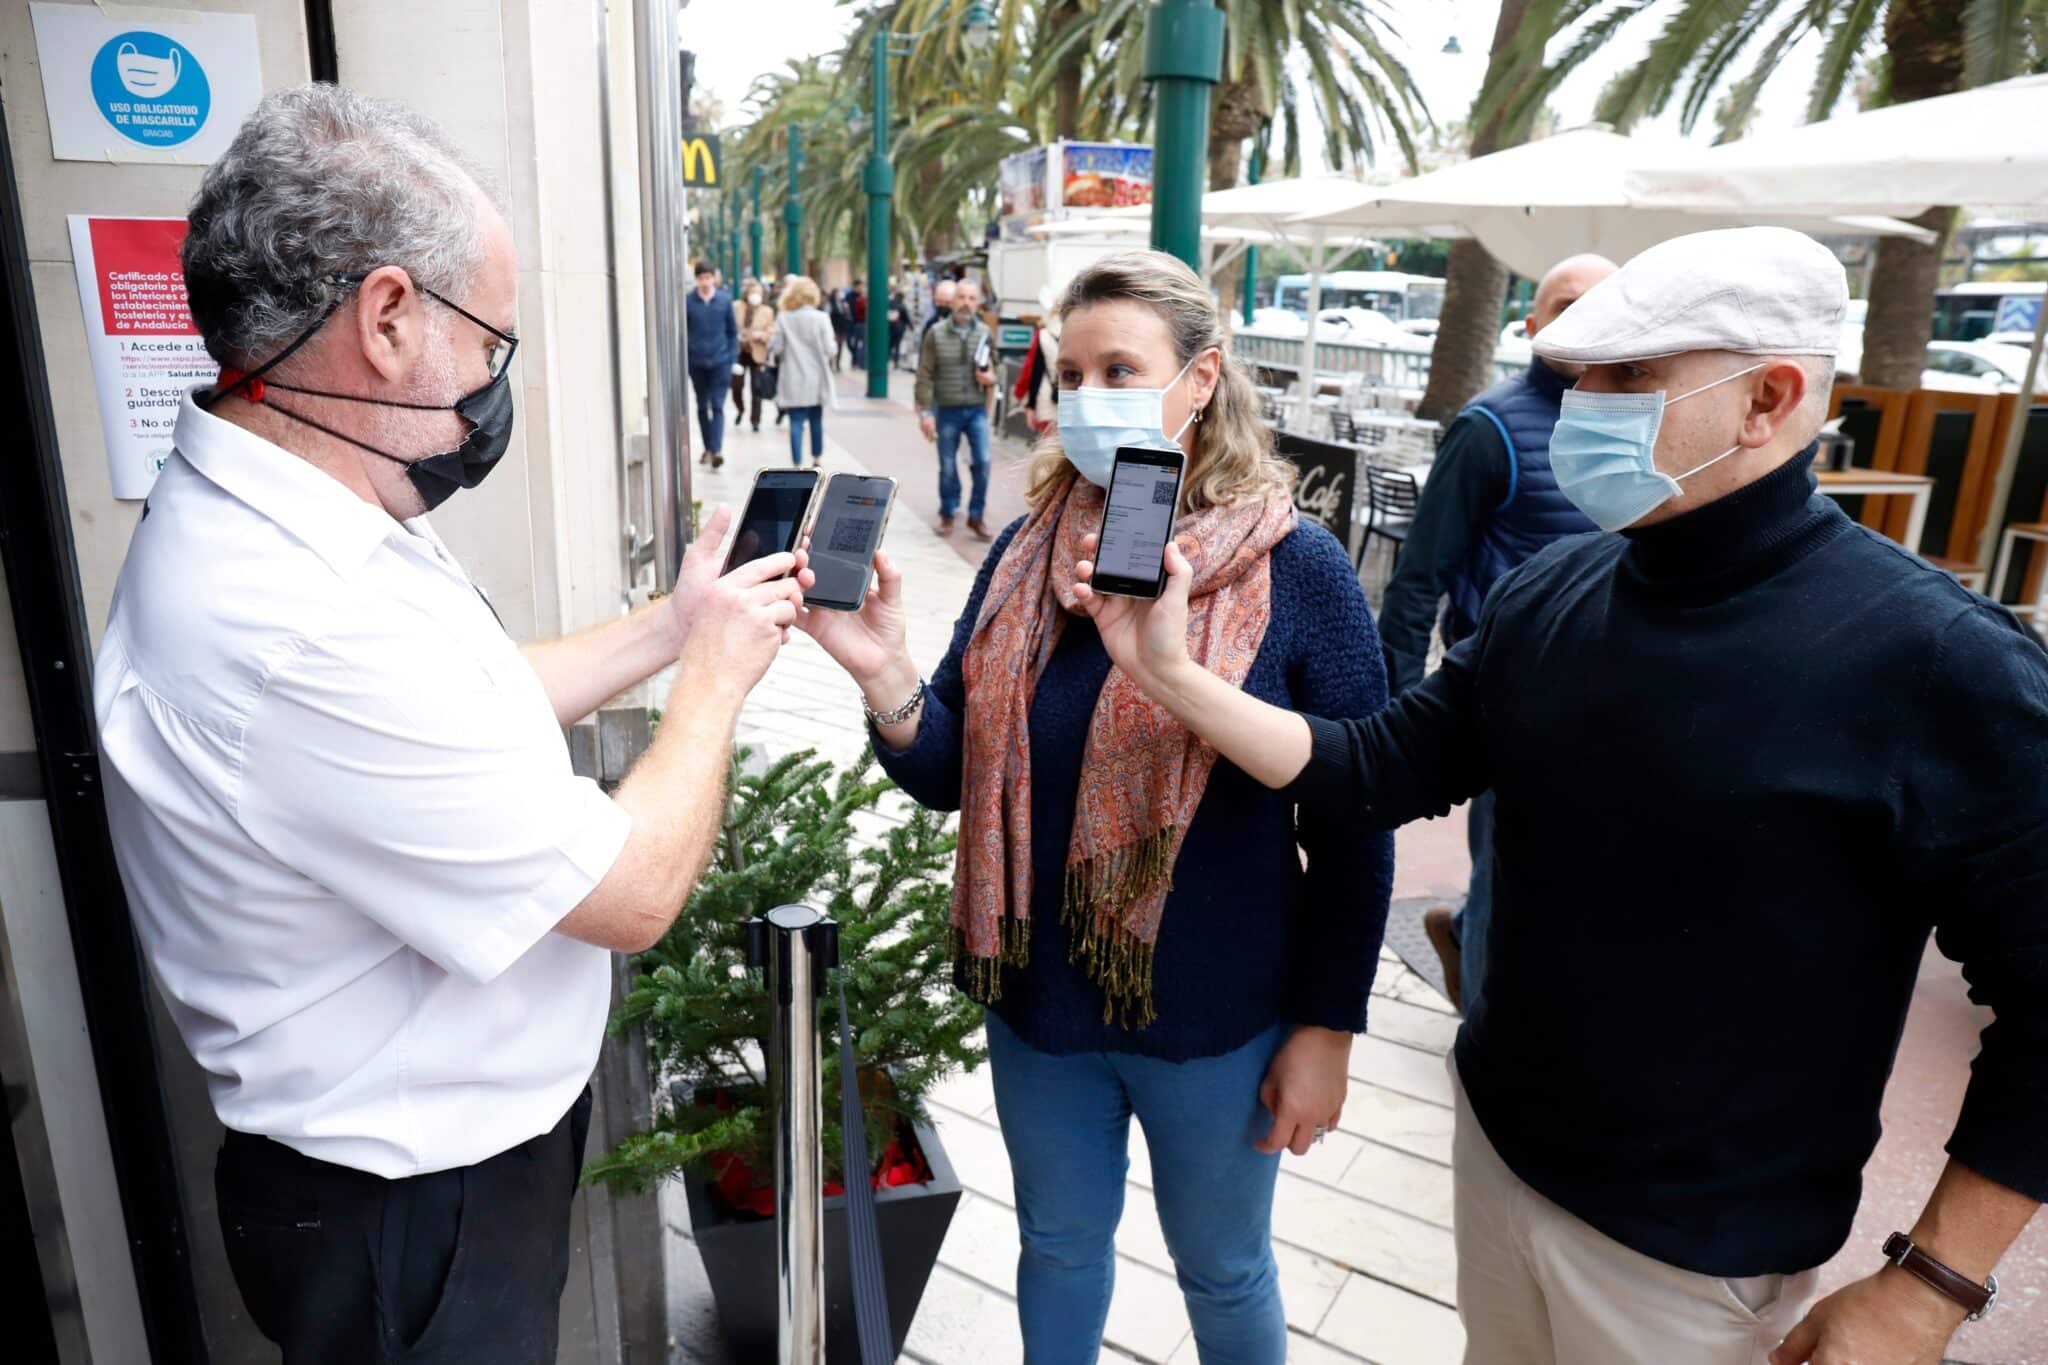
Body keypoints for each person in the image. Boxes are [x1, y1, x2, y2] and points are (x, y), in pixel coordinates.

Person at [1067, 227, 2048, 1365]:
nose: (1584, 409)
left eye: (1629, 380)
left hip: (1691, 1258)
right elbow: (1377, 769)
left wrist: (1927, 1286)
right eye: (1577, 378)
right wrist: (1172, 675)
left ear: (1766, 400)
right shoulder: (1557, 584)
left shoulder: (1939, 662)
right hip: (1494, 1157)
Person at [93, 84, 806, 1365]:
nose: (491, 384)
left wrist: (665, 624)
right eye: (490, 343)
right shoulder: (295, 621)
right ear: (385, 317)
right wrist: (711, 678)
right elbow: (633, 890)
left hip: (423, 1185)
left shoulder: (302, 514)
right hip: (407, 1224)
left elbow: (457, 720)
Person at [801, 249, 1394, 1364]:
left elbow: (1354, 826)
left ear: (1201, 378)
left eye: (1117, 367)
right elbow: (945, 773)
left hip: (1219, 1024)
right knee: (1058, 1246)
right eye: (1066, 374)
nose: (1082, 398)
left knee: (1223, 1272)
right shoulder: (1029, 557)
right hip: (1043, 1011)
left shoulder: (1297, 572)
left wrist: (1326, 1029)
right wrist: (881, 674)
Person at [1376, 253, 1615, 1012]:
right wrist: (1398, 722)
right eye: (1568, 302)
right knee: (1510, 862)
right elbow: (1419, 578)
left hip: (1617, 692)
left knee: (1574, 868)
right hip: (1511, 697)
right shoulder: (1489, 428)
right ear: (1531, 323)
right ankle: (1482, 1035)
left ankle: (1474, 938)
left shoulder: (1647, 423)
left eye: (1605, 303)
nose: (1586, 317)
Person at [916, 277, 999, 539]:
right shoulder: (936, 333)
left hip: (975, 410)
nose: (966, 303)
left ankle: (976, 515)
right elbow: (925, 374)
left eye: (972, 298)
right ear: (952, 302)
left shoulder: (984, 332)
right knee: (948, 465)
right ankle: (948, 512)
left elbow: (993, 368)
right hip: (947, 409)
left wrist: (991, 379)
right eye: (962, 297)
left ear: (978, 303)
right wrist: (926, 414)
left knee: (983, 462)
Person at [769, 274, 837, 469]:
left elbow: (778, 348)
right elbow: (830, 349)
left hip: (792, 375)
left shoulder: (784, 318)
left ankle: (797, 462)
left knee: (796, 420)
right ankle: (816, 459)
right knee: (816, 418)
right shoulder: (821, 318)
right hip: (816, 376)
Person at [686, 259, 738, 467]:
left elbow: (732, 332)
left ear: (714, 278)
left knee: (717, 405)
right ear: (696, 279)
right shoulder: (688, 302)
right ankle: (707, 447)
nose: (705, 282)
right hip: (697, 362)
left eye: (708, 278)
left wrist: (731, 358)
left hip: (720, 362)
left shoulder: (724, 301)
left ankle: (715, 450)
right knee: (701, 406)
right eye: (701, 278)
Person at [733, 278, 775, 433]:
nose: (756, 295)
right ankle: (740, 409)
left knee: (757, 387)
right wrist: (739, 335)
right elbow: (731, 325)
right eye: (753, 292)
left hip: (757, 352)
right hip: (739, 351)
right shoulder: (737, 306)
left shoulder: (767, 311)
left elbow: (771, 330)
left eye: (759, 293)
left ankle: (755, 420)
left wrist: (761, 335)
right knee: (736, 385)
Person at [847, 277, 868, 368]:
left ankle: (857, 361)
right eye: (859, 286)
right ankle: (855, 360)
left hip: (860, 322)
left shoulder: (862, 297)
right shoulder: (849, 296)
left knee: (859, 343)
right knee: (851, 343)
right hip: (851, 323)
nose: (861, 288)